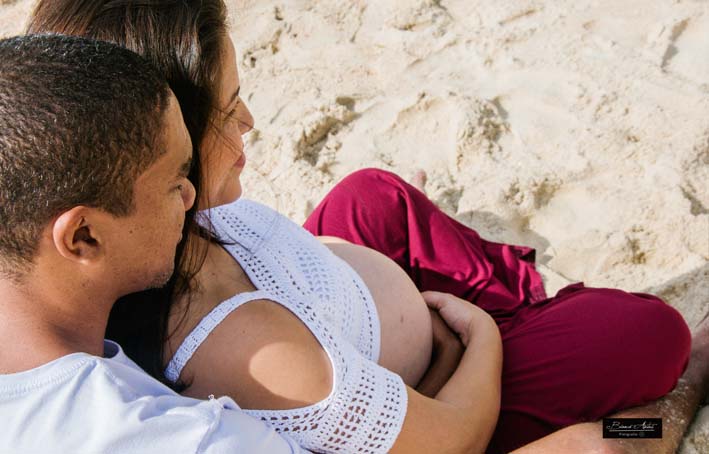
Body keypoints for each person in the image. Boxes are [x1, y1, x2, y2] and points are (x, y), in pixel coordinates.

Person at [27, 1, 698, 453]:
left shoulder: (167, 222)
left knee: (367, 195)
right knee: (650, 335)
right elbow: (452, 437)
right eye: (227, 112)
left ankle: (509, 300)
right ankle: (521, 317)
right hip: (446, 380)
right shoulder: (241, 343)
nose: (249, 123)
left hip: (360, 315)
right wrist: (479, 336)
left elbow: (285, 267)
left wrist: (333, 265)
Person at [0, 33, 307, 453]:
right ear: (83, 237)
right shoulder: (194, 441)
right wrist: (434, 365)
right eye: (174, 182)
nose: (191, 197)